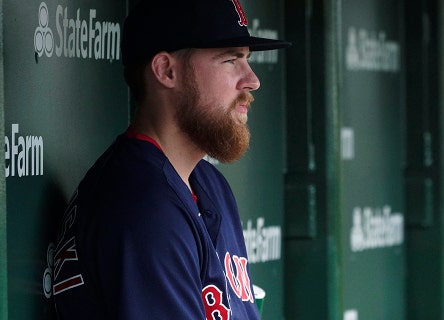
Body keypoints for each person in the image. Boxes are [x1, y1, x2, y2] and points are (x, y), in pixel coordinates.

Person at [52, 0, 289, 318]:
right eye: (231, 60)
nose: (252, 80)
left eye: (246, 59)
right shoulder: (142, 208)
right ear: (166, 71)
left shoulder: (208, 183)